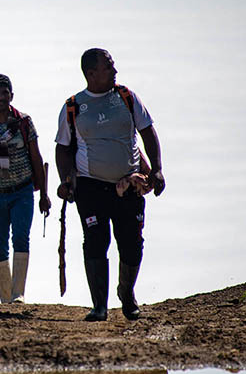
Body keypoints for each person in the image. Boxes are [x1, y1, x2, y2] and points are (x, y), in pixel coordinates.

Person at [54, 48, 165, 321]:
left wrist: (157, 169)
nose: (115, 71)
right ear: (91, 73)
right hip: (90, 186)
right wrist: (65, 180)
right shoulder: (73, 106)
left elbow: (148, 132)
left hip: (130, 184)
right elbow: (63, 148)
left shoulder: (127, 97)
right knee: (95, 240)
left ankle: (126, 293)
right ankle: (99, 306)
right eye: (108, 67)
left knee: (131, 243)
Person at [0, 74, 51, 303]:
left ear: (12, 95)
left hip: (22, 191)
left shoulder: (23, 122)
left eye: (5, 93)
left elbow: (36, 157)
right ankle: (6, 300)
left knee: (21, 239)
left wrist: (44, 194)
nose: (1, 97)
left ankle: (18, 295)